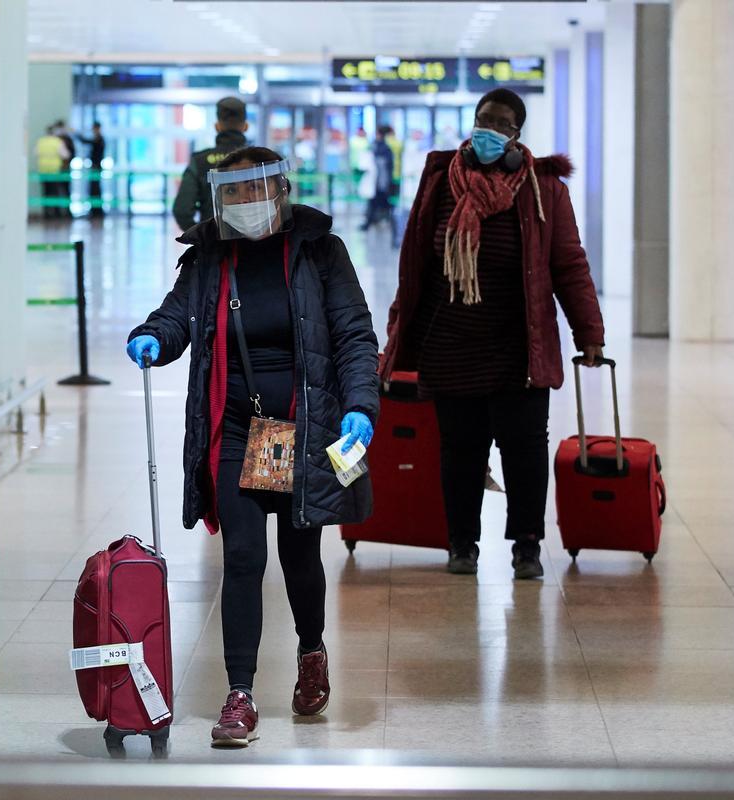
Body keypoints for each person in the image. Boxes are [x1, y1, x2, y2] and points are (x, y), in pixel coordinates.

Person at [126, 148, 380, 747]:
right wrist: (152, 338)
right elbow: (176, 317)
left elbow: (352, 334)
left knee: (299, 555)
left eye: (257, 190)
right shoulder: (211, 258)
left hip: (299, 428)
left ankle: (311, 650)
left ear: (283, 190)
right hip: (237, 428)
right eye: (234, 193)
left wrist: (360, 406)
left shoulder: (320, 252)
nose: (246, 203)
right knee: (242, 557)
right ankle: (239, 694)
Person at [380, 88, 605, 580]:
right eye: (484, 119)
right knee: (460, 451)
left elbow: (569, 264)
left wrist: (589, 330)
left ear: (516, 133)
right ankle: (462, 543)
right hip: (450, 342)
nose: (489, 129)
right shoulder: (441, 179)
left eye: (501, 122)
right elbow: (414, 259)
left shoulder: (544, 189)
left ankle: (526, 546)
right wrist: (398, 334)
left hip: (519, 346)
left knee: (524, 449)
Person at [172, 97, 249, 232]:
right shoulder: (261, 159)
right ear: (245, 126)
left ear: (217, 127)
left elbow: (182, 210)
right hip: (254, 246)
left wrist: (203, 238)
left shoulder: (200, 161)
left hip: (215, 246)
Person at [360, 127, 394, 231]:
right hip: (377, 182)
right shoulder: (378, 147)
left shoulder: (382, 148)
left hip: (380, 182)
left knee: (379, 202)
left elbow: (386, 166)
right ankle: (372, 222)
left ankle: (372, 222)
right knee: (376, 203)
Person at [35, 125, 70, 220]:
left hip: (43, 170)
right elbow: (65, 155)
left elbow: (36, 153)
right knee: (54, 192)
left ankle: (46, 213)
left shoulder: (40, 142)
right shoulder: (57, 142)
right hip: (54, 170)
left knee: (45, 192)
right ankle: (55, 213)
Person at [78, 121, 107, 217]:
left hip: (96, 167)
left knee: (95, 189)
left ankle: (97, 211)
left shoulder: (99, 139)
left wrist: (76, 134)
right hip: (95, 166)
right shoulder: (98, 139)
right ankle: (94, 210)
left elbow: (86, 141)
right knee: (93, 189)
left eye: (93, 128)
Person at [54, 120, 76, 218]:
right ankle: (57, 211)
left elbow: (72, 154)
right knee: (56, 191)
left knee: (66, 190)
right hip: (56, 169)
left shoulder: (68, 139)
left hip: (65, 169)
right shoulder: (55, 140)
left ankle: (67, 211)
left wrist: (67, 163)